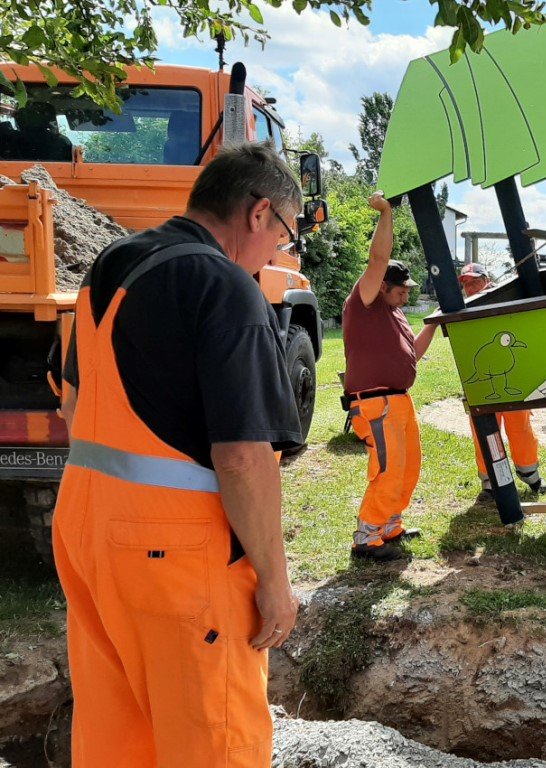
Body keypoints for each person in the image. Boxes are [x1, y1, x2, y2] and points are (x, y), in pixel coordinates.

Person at [54, 142, 304, 765]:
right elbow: (244, 458)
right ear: (258, 213)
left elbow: (71, 402)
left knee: (119, 735)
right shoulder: (225, 287)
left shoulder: (112, 266)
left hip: (88, 534)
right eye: (284, 234)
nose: (277, 252)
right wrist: (274, 581)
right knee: (212, 738)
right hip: (175, 557)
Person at [342, 194, 437, 561]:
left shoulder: (394, 312)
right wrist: (386, 213)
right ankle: (366, 538)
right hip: (375, 403)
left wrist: (433, 324)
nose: (406, 293)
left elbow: (412, 353)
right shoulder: (364, 301)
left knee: (408, 465)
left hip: (400, 400)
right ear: (381, 284)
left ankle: (389, 526)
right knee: (387, 467)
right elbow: (378, 259)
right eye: (401, 288)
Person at [459, 262, 546, 501]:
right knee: (483, 431)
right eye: (466, 284)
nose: (470, 287)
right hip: (480, 382)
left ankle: (530, 473)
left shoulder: (505, 297)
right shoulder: (460, 308)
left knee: (519, 424)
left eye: (474, 281)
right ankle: (489, 480)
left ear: (486, 280)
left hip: (512, 376)